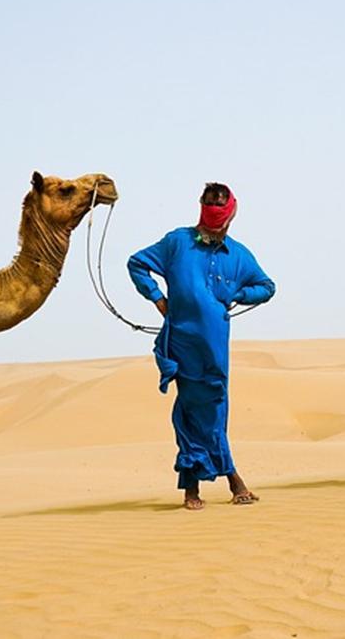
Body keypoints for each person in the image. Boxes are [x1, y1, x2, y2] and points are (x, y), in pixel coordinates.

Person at [128, 183, 277, 510]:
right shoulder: (177, 242)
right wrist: (157, 298)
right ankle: (208, 484)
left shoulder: (237, 255)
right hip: (181, 343)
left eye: (219, 205)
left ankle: (222, 479)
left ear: (231, 212)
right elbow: (136, 263)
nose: (214, 209)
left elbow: (267, 287)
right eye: (210, 203)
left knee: (215, 410)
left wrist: (238, 294)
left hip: (214, 348)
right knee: (191, 411)